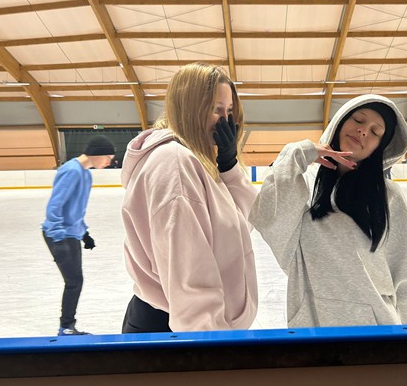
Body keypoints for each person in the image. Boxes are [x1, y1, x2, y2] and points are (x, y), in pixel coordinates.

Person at [249, 94, 407, 328]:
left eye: (375, 132)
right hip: (314, 329)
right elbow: (268, 216)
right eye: (358, 120)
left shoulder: (388, 196)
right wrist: (299, 153)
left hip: (378, 331)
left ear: (379, 147)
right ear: (340, 122)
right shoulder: (305, 185)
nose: (363, 131)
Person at [120, 62, 258, 333]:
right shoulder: (174, 163)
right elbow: (189, 278)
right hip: (178, 329)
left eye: (230, 111)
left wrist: (229, 166)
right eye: (216, 109)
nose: (226, 121)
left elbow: (245, 223)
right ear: (190, 107)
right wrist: (212, 345)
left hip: (189, 325)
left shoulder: (199, 161)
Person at [42, 136, 115, 335]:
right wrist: (58, 238)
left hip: (71, 233)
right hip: (59, 234)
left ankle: (67, 326)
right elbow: (55, 206)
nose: (109, 162)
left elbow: (77, 209)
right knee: (74, 282)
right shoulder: (71, 171)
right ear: (98, 154)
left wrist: (84, 234)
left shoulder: (86, 174)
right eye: (108, 158)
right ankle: (66, 327)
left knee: (75, 281)